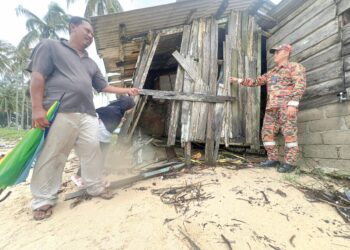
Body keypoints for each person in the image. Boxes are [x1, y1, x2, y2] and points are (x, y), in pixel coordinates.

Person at [26, 16, 139, 220]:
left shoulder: (90, 63)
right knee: (54, 154)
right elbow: (38, 76)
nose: (90, 36)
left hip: (88, 113)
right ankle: (43, 199)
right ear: (73, 27)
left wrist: (127, 90)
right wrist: (37, 108)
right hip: (61, 109)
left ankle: (94, 186)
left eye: (92, 34)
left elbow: (103, 87)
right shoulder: (51, 46)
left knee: (92, 151)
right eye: (87, 31)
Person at [230, 44, 306, 173]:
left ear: (286, 52)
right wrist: (238, 80)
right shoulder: (272, 72)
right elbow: (256, 81)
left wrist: (293, 103)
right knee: (266, 134)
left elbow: (300, 84)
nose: (275, 55)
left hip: (286, 107)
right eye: (274, 53)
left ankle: (290, 163)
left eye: (277, 52)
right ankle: (273, 159)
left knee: (289, 135)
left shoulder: (295, 67)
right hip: (271, 109)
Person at [71, 96, 135, 188]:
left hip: (104, 137)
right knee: (94, 157)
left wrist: (120, 121)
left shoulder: (117, 111)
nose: (132, 110)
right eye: (132, 108)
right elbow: (95, 114)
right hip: (100, 137)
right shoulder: (114, 111)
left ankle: (90, 178)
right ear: (127, 106)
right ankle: (78, 177)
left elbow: (109, 122)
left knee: (97, 158)